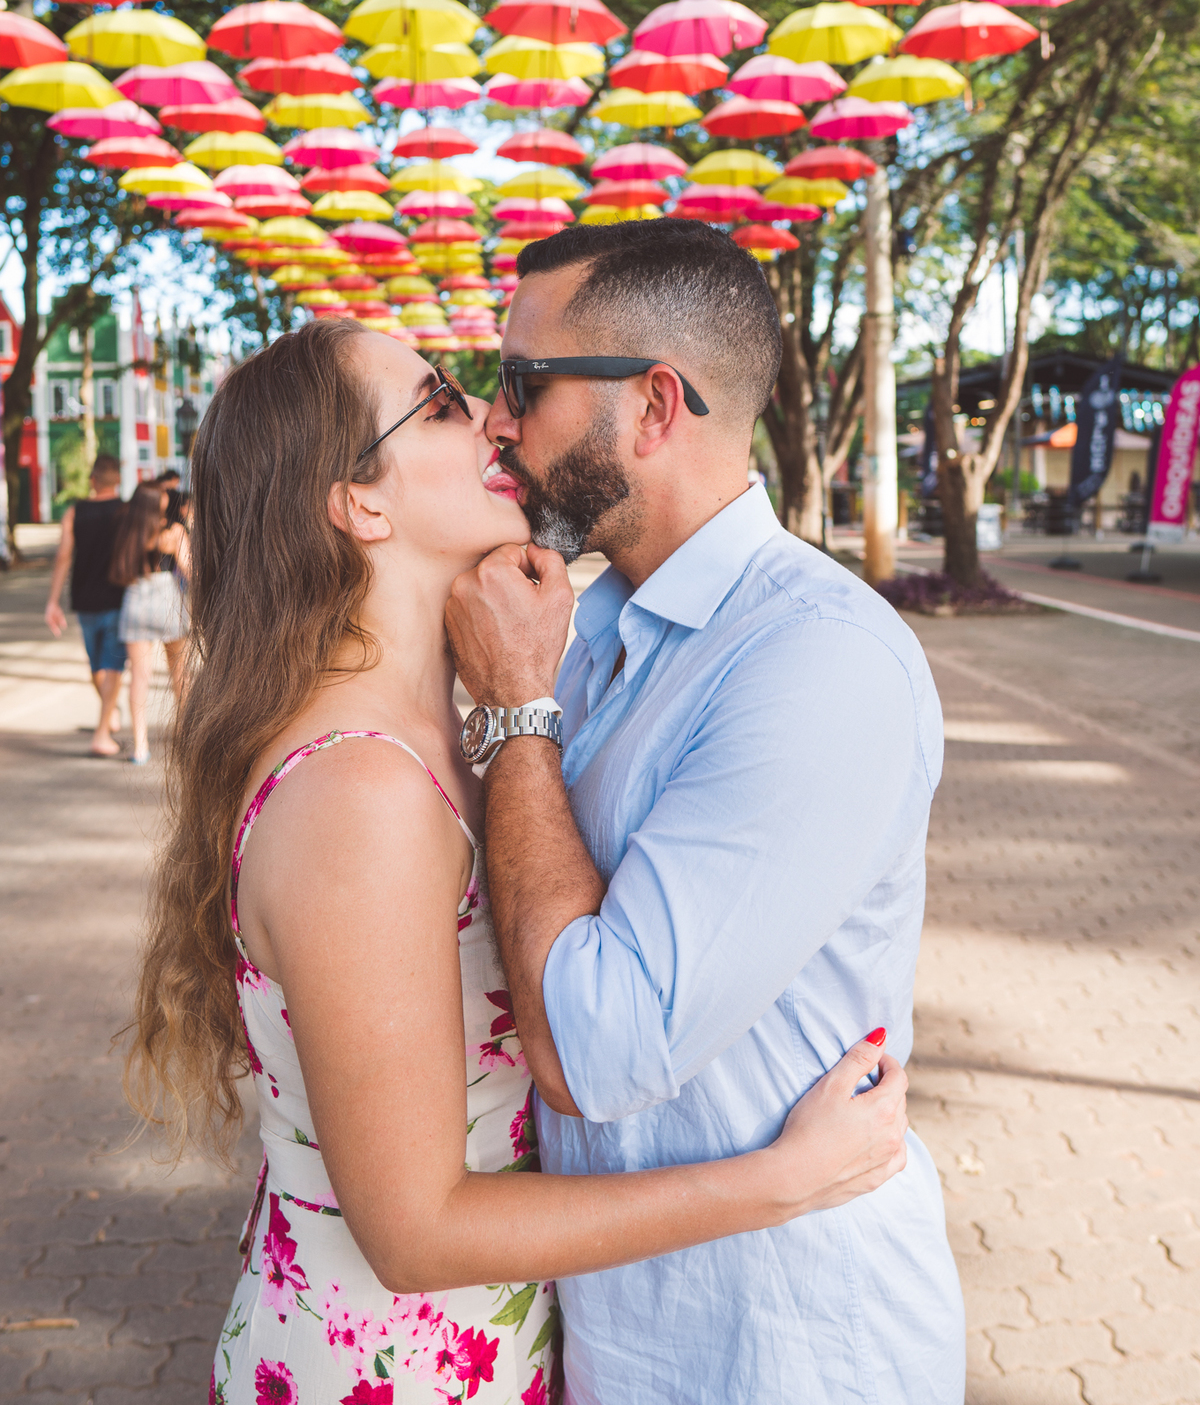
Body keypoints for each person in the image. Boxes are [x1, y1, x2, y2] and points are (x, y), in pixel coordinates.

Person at [124, 319, 909, 1405]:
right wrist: (781, 1180)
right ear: (360, 502)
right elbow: (416, 1229)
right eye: (443, 403)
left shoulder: (435, 735)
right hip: (390, 1366)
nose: (495, 421)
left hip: (450, 1349)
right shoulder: (366, 795)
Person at [445, 220, 967, 1405]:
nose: (494, 418)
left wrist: (516, 710)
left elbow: (594, 1046)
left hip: (783, 1346)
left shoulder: (813, 662)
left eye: (523, 381)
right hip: (622, 1325)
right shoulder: (589, 634)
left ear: (653, 405)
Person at [44, 451, 127, 757]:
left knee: (99, 665)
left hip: (85, 599)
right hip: (118, 597)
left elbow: (64, 556)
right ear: (117, 479)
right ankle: (106, 723)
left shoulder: (74, 512)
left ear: (93, 480)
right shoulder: (126, 511)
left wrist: (53, 601)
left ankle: (106, 723)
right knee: (110, 667)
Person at [110, 480, 189, 764]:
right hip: (167, 598)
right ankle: (185, 737)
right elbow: (190, 570)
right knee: (179, 673)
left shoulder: (127, 530)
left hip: (135, 598)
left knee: (139, 677)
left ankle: (140, 745)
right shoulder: (173, 533)